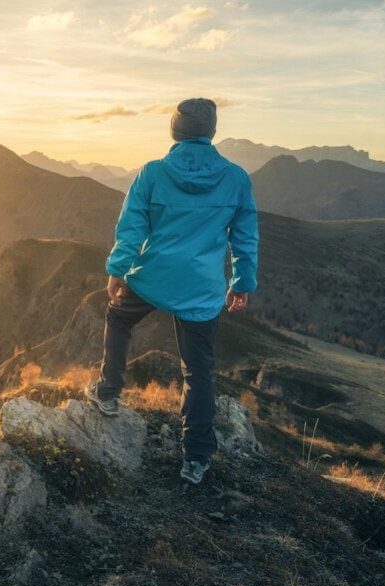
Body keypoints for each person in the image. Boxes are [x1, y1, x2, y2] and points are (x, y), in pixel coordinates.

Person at [85, 97, 259, 485]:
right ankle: (196, 458)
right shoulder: (236, 178)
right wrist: (242, 283)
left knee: (117, 317)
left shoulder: (151, 173)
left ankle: (108, 393)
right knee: (198, 370)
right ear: (212, 132)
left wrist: (117, 269)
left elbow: (132, 228)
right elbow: (245, 238)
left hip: (152, 277)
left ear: (174, 132)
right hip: (202, 289)